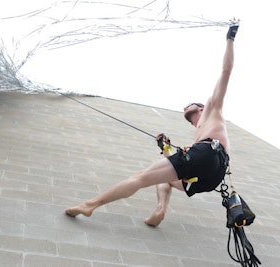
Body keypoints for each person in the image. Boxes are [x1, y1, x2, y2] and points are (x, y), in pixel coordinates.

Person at [65, 20, 239, 226]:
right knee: (163, 178)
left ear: (201, 107)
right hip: (210, 177)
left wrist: (230, 39)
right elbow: (179, 164)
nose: (185, 109)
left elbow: (226, 71)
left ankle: (90, 205)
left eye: (189, 106)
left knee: (141, 177)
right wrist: (165, 147)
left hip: (209, 156)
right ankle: (160, 210)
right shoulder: (201, 133)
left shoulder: (212, 108)